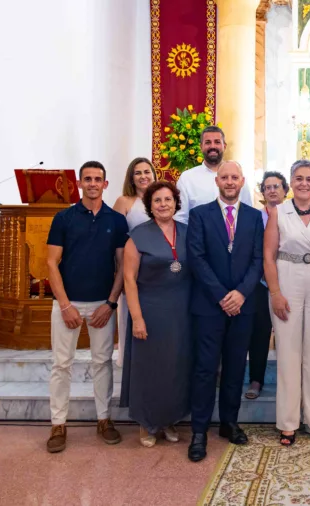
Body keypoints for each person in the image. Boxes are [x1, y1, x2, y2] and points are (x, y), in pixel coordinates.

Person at [45, 161, 129, 453]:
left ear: (106, 184)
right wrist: (65, 305)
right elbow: (51, 263)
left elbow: (121, 266)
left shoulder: (116, 220)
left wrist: (110, 303)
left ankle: (104, 420)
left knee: (102, 363)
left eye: (98, 179)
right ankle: (58, 424)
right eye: (87, 179)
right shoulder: (64, 218)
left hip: (101, 304)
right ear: (79, 183)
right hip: (67, 302)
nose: (93, 183)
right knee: (61, 364)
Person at [187, 160, 264, 462]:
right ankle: (198, 430)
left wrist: (241, 294)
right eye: (225, 178)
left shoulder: (254, 217)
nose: (230, 182)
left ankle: (229, 422)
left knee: (234, 367)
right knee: (206, 369)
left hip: (243, 306)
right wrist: (222, 295)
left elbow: (258, 259)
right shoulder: (199, 215)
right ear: (216, 181)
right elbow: (196, 257)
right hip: (209, 305)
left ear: (242, 181)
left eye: (235, 177)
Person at [264, 160, 310, 446]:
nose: (304, 183)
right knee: (289, 352)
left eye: (309, 179)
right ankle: (288, 422)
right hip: (287, 277)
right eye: (299, 178)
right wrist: (275, 292)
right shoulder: (279, 212)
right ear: (291, 183)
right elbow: (268, 256)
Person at [120, 181, 192, 447]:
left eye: (168, 199)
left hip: (181, 311)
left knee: (176, 367)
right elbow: (129, 279)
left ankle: (169, 420)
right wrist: (136, 318)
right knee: (149, 368)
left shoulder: (188, 232)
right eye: (157, 200)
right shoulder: (137, 236)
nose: (163, 204)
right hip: (149, 310)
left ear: (176, 203)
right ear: (149, 206)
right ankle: (147, 424)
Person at [246, 171, 289, 400]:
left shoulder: (293, 214)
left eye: (277, 186)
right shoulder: (254, 217)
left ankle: (289, 379)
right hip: (261, 284)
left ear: (285, 190)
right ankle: (256, 379)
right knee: (260, 332)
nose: (272, 190)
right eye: (267, 187)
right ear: (262, 192)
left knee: (289, 333)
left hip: (290, 281)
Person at [113, 157, 156, 368]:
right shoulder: (124, 201)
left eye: (147, 172)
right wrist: (119, 274)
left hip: (157, 269)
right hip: (131, 267)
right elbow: (116, 240)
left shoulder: (160, 199)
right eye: (138, 173)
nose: (143, 176)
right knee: (130, 318)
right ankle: (129, 365)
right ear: (131, 177)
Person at [173, 126, 252, 224]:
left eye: (217, 142)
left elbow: (248, 214)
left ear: (224, 146)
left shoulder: (237, 177)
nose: (212, 146)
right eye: (208, 142)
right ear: (201, 147)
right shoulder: (187, 179)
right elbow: (180, 219)